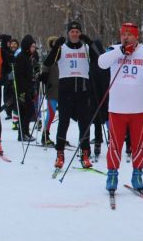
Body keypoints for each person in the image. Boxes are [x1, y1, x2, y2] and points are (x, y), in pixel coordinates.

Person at [98, 22, 143, 191]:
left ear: (136, 37)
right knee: (115, 144)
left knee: (138, 144)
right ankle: (112, 176)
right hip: (117, 108)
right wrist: (120, 51)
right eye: (123, 34)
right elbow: (101, 63)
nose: (125, 37)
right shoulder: (113, 49)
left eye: (129, 34)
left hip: (139, 108)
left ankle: (137, 175)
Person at [43, 20, 99, 169]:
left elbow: (100, 59)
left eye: (77, 32)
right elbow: (47, 63)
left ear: (80, 33)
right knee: (63, 123)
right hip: (65, 90)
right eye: (72, 32)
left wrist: (91, 42)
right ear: (68, 33)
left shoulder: (86, 48)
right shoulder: (62, 48)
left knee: (84, 124)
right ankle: (60, 154)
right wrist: (55, 48)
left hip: (82, 90)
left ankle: (85, 154)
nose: (74, 34)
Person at [14, 35, 38, 141]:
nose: (34, 49)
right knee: (25, 112)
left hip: (29, 88)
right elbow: (19, 75)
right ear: (28, 46)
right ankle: (22, 133)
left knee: (29, 111)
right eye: (32, 46)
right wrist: (24, 90)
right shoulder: (21, 57)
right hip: (22, 90)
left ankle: (26, 132)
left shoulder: (29, 57)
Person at [39, 36, 60, 146]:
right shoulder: (50, 56)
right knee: (51, 114)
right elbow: (44, 70)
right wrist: (45, 81)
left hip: (63, 90)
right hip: (52, 90)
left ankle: (61, 137)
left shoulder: (62, 56)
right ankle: (45, 135)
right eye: (54, 43)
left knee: (64, 116)